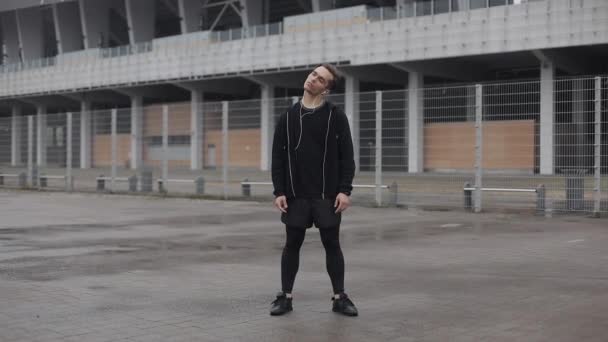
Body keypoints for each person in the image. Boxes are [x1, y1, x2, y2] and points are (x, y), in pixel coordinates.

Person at [269, 64, 358, 317]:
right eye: (313, 75)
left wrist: (344, 191)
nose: (313, 80)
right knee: (291, 245)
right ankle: (285, 298)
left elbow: (347, 157)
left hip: (326, 196)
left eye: (320, 79)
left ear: (327, 89)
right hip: (296, 195)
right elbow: (278, 157)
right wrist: (279, 191)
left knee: (332, 244)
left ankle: (340, 298)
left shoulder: (335, 116)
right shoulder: (287, 117)